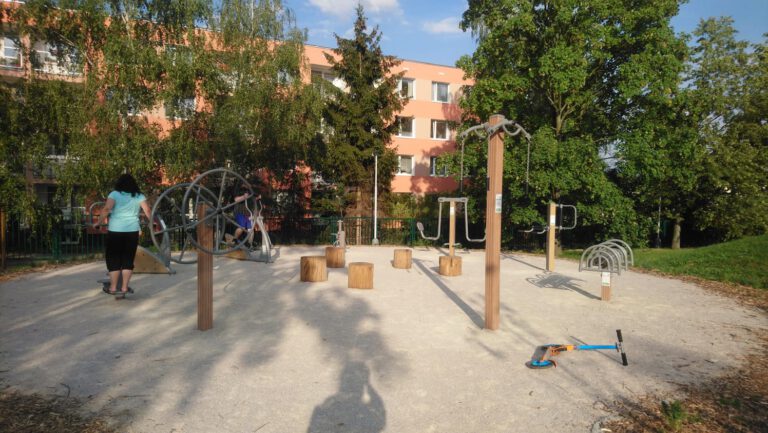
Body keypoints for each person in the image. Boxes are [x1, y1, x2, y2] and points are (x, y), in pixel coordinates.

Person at [94, 173, 152, 295]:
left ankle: (113, 288)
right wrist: (153, 223)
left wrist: (98, 223)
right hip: (132, 231)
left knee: (114, 259)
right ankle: (124, 288)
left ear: (119, 183)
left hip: (115, 230)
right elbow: (147, 210)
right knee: (128, 259)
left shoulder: (114, 194)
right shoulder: (139, 196)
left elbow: (106, 209)